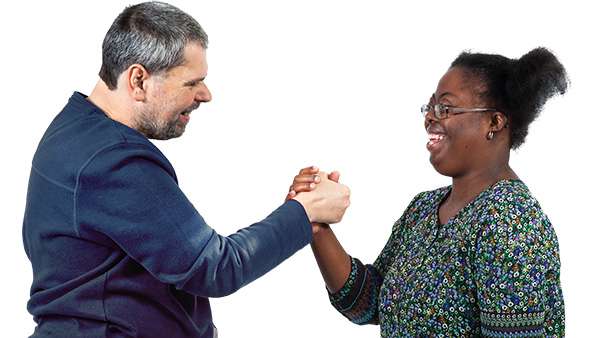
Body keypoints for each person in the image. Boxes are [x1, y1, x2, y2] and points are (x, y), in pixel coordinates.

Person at [22, 2, 350, 337]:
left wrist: (297, 213)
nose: (205, 95)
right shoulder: (114, 160)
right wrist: (303, 213)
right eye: (192, 83)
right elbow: (216, 268)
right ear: (138, 79)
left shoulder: (72, 129)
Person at [289, 48, 567, 337]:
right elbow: (369, 303)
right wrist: (315, 225)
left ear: (494, 123)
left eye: (445, 109)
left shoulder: (511, 223)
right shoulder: (424, 208)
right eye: (430, 108)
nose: (430, 119)